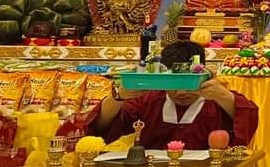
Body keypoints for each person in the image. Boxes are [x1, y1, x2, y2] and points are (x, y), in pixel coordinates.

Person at [85, 41, 258, 149]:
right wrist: (119, 96)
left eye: (187, 85)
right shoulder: (149, 99)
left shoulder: (217, 99)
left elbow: (248, 120)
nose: (180, 93)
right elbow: (100, 128)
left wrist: (224, 96)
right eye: (173, 84)